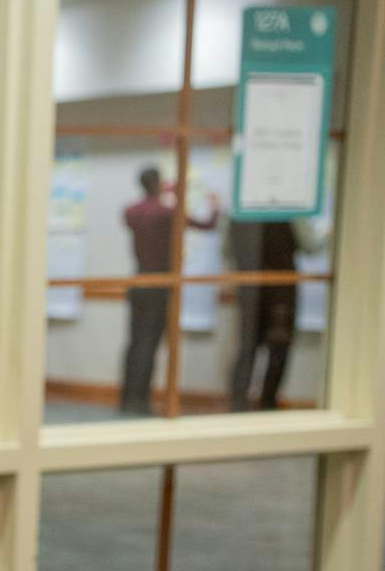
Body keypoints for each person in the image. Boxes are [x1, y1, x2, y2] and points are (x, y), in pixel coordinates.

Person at [119, 166, 220, 415]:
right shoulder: (166, 213)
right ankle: (139, 401)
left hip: (139, 280)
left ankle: (128, 398)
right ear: (158, 184)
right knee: (149, 343)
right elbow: (207, 225)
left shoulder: (131, 212)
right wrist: (215, 206)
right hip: (159, 283)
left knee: (135, 342)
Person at [228, 217, 325, 411]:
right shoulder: (289, 214)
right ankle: (265, 405)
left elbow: (228, 250)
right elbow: (311, 245)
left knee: (251, 347)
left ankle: (240, 405)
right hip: (279, 292)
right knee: (275, 348)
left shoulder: (239, 214)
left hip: (252, 289)